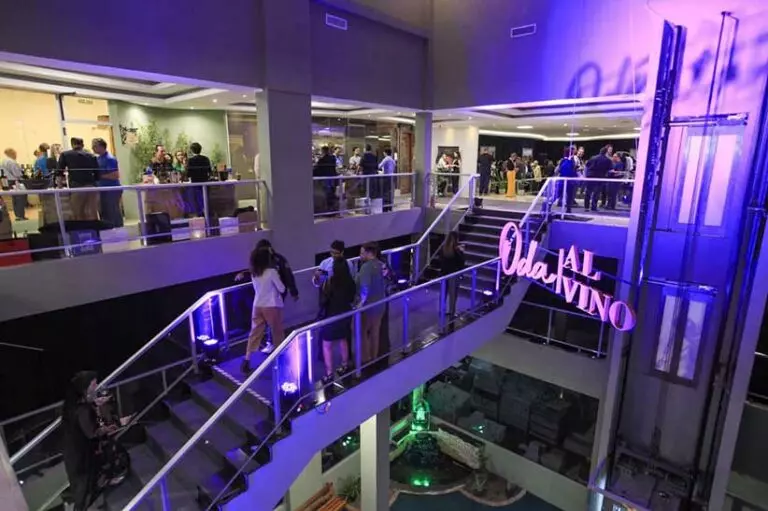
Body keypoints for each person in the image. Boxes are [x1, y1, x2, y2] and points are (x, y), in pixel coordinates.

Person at [62, 371, 116, 511]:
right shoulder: (82, 410)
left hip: (72, 453)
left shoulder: (71, 405)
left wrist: (94, 403)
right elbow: (92, 433)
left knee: (82, 488)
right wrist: (110, 427)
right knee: (83, 491)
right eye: (94, 384)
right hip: (81, 457)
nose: (96, 386)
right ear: (85, 388)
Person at [241, 249, 286, 371]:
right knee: (277, 332)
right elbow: (282, 288)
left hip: (257, 305)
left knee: (254, 333)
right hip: (271, 305)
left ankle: (247, 359)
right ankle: (279, 360)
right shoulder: (271, 272)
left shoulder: (254, 273)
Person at [319, 256, 357, 383]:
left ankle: (329, 374)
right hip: (345, 314)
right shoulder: (350, 282)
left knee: (327, 344)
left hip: (331, 316)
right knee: (343, 339)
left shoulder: (330, 282)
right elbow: (352, 297)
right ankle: (345, 366)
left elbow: (323, 300)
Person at [355, 242, 387, 366]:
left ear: (369, 253)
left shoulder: (366, 267)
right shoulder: (381, 264)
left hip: (369, 307)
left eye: (362, 253)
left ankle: (365, 359)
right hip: (380, 304)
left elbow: (365, 288)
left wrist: (360, 304)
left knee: (362, 332)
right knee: (375, 332)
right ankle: (374, 358)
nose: (360, 256)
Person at [58, 137, 100, 221]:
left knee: (78, 213)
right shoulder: (92, 155)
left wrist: (60, 186)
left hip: (77, 186)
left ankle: (82, 229)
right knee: (93, 212)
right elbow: (97, 174)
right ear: (82, 145)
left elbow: (59, 172)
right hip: (91, 187)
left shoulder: (65, 155)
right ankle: (95, 228)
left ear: (72, 145)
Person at [92, 138, 123, 228]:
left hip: (111, 190)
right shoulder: (98, 159)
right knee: (104, 212)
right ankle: (108, 231)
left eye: (95, 146)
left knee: (112, 211)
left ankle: (118, 230)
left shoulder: (110, 159)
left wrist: (99, 176)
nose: (92, 148)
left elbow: (115, 175)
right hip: (102, 190)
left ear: (101, 146)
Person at [438, 232, 465, 321]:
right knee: (453, 295)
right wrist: (462, 252)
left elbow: (440, 260)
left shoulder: (443, 249)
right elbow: (461, 262)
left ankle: (441, 310)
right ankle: (452, 313)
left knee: (443, 293)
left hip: (444, 274)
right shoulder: (456, 250)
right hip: (454, 274)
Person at [0, 148, 28, 221]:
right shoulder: (12, 162)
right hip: (15, 181)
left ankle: (17, 215)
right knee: (20, 198)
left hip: (7, 181)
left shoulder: (3, 161)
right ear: (12, 153)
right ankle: (21, 215)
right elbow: (17, 174)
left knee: (14, 198)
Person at [584, 145, 613, 211]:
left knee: (588, 192)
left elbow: (587, 165)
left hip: (590, 177)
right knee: (596, 193)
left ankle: (586, 207)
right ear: (606, 152)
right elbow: (610, 170)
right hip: (599, 178)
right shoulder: (608, 160)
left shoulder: (593, 157)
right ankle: (593, 207)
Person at [186, 142, 213, 216]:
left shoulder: (191, 160)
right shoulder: (206, 159)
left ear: (191, 150)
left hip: (196, 184)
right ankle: (207, 216)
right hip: (205, 182)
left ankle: (200, 216)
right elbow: (209, 171)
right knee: (205, 200)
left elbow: (189, 173)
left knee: (198, 201)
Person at [313, 145, 338, 213]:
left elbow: (317, 169)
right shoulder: (333, 158)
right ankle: (333, 209)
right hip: (332, 178)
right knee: (332, 193)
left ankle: (328, 210)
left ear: (323, 151)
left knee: (327, 193)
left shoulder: (322, 160)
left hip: (326, 178)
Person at [555, 146, 578, 213]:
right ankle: (568, 209)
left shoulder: (565, 160)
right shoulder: (567, 161)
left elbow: (558, 170)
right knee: (565, 195)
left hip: (566, 180)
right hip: (567, 181)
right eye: (573, 152)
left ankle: (568, 209)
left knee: (567, 195)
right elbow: (559, 170)